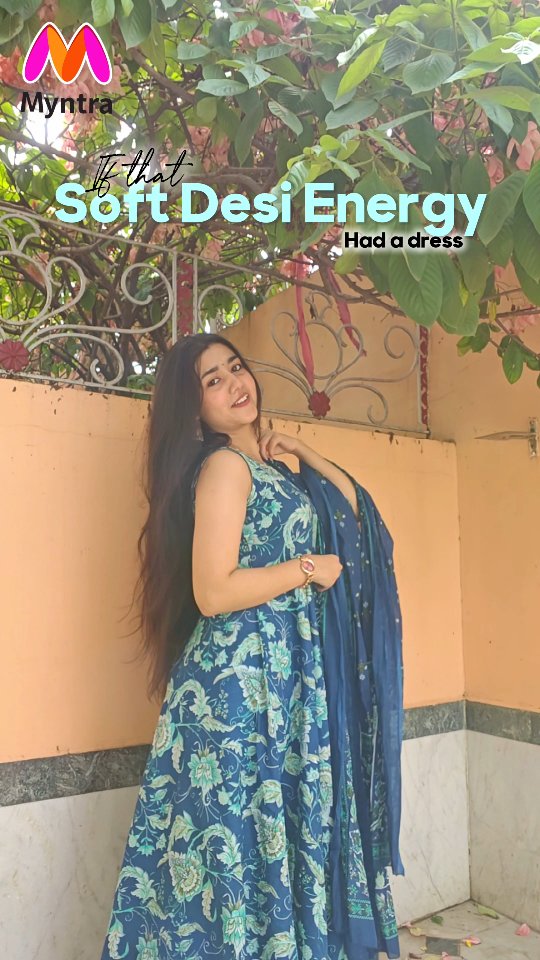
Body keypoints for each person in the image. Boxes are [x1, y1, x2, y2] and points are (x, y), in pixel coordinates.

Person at [100, 332, 404, 960]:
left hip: (285, 680)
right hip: (237, 689)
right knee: (231, 849)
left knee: (269, 839)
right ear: (194, 409)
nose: (235, 384)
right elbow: (213, 591)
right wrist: (306, 569)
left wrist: (301, 447)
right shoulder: (224, 469)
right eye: (212, 381)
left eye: (235, 368)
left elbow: (359, 517)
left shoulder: (267, 469)